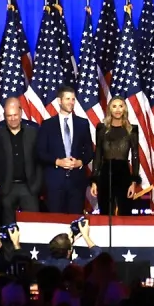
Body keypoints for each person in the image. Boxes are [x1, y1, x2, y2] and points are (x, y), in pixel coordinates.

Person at [36, 86, 95, 215]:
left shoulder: (82, 123)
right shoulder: (47, 125)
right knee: (56, 221)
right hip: (54, 183)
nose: (71, 102)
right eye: (67, 99)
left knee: (75, 221)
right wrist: (58, 161)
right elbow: (40, 152)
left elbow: (90, 151)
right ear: (59, 101)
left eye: (73, 99)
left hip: (76, 182)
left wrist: (80, 162)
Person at [0, 97, 42, 230]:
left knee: (33, 227)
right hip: (6, 188)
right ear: (4, 116)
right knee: (7, 228)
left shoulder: (33, 132)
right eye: (9, 115)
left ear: (21, 113)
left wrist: (36, 186)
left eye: (15, 115)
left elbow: (39, 160)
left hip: (29, 187)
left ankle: (29, 251)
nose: (13, 118)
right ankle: (9, 251)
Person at [93, 96, 143, 217]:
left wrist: (133, 182)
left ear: (124, 109)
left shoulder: (132, 129)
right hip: (105, 173)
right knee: (105, 214)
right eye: (114, 106)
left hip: (124, 174)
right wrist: (94, 181)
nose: (117, 109)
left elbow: (135, 156)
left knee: (125, 213)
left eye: (121, 106)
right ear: (109, 109)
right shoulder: (101, 129)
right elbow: (98, 154)